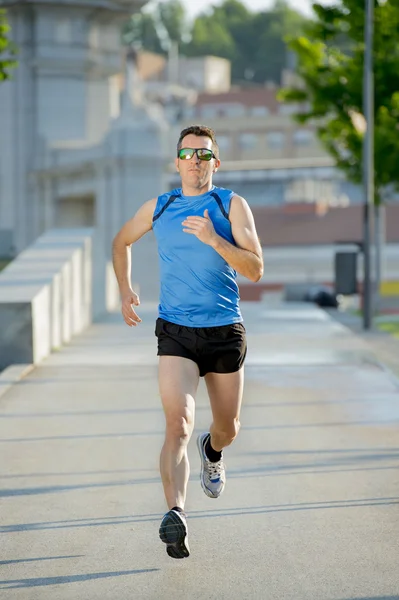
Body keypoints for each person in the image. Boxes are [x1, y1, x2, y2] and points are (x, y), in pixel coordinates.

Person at [112, 124, 263, 559]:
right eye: (188, 154)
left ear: (216, 162)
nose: (195, 161)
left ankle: (212, 451)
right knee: (177, 423)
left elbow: (255, 269)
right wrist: (125, 288)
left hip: (224, 331)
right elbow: (121, 242)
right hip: (175, 329)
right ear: (176, 161)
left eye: (204, 154)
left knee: (227, 428)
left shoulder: (231, 204)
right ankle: (175, 514)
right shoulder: (160, 207)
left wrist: (215, 239)